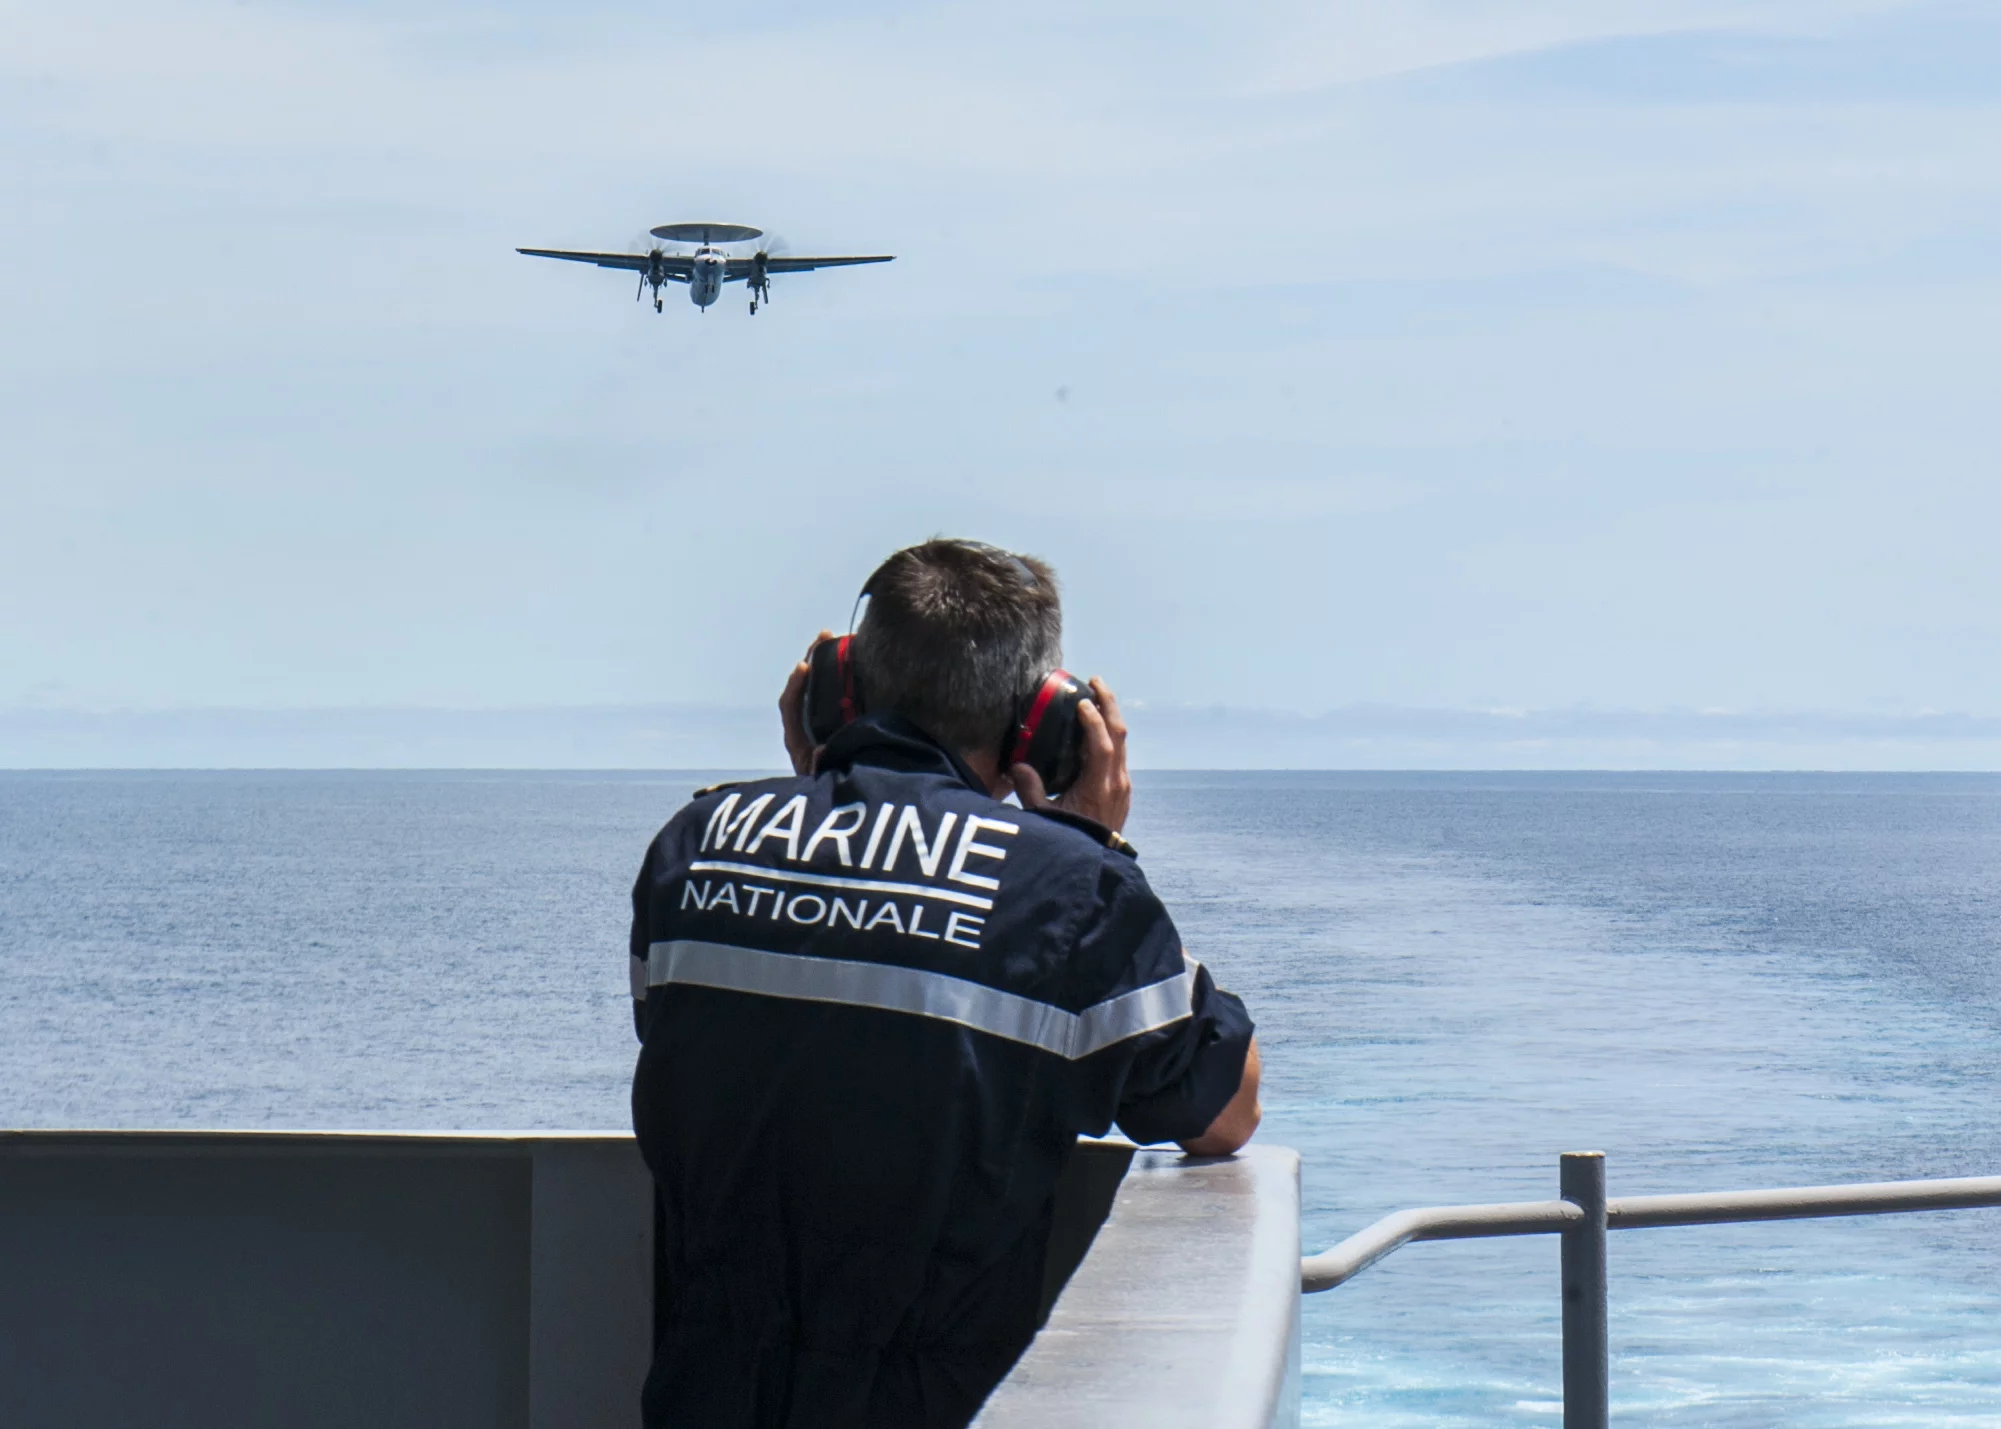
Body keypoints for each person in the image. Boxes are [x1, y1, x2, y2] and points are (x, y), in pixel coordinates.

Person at [627, 538, 1261, 1429]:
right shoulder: (1071, 890)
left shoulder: (690, 844)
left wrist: (818, 801)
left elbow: (718, 1044)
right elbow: (1223, 1109)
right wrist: (1099, 847)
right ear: (1039, 720)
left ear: (836, 689)